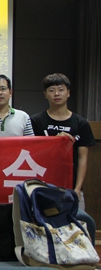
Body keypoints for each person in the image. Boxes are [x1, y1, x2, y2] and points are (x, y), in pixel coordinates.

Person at [30, 73, 95, 208]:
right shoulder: (36, 121)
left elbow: (82, 158)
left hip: (71, 187)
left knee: (76, 220)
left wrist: (77, 188)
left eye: (61, 90)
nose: (56, 94)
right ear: (45, 94)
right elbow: (32, 153)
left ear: (68, 93)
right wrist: (54, 142)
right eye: (51, 90)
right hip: (43, 186)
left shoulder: (80, 123)